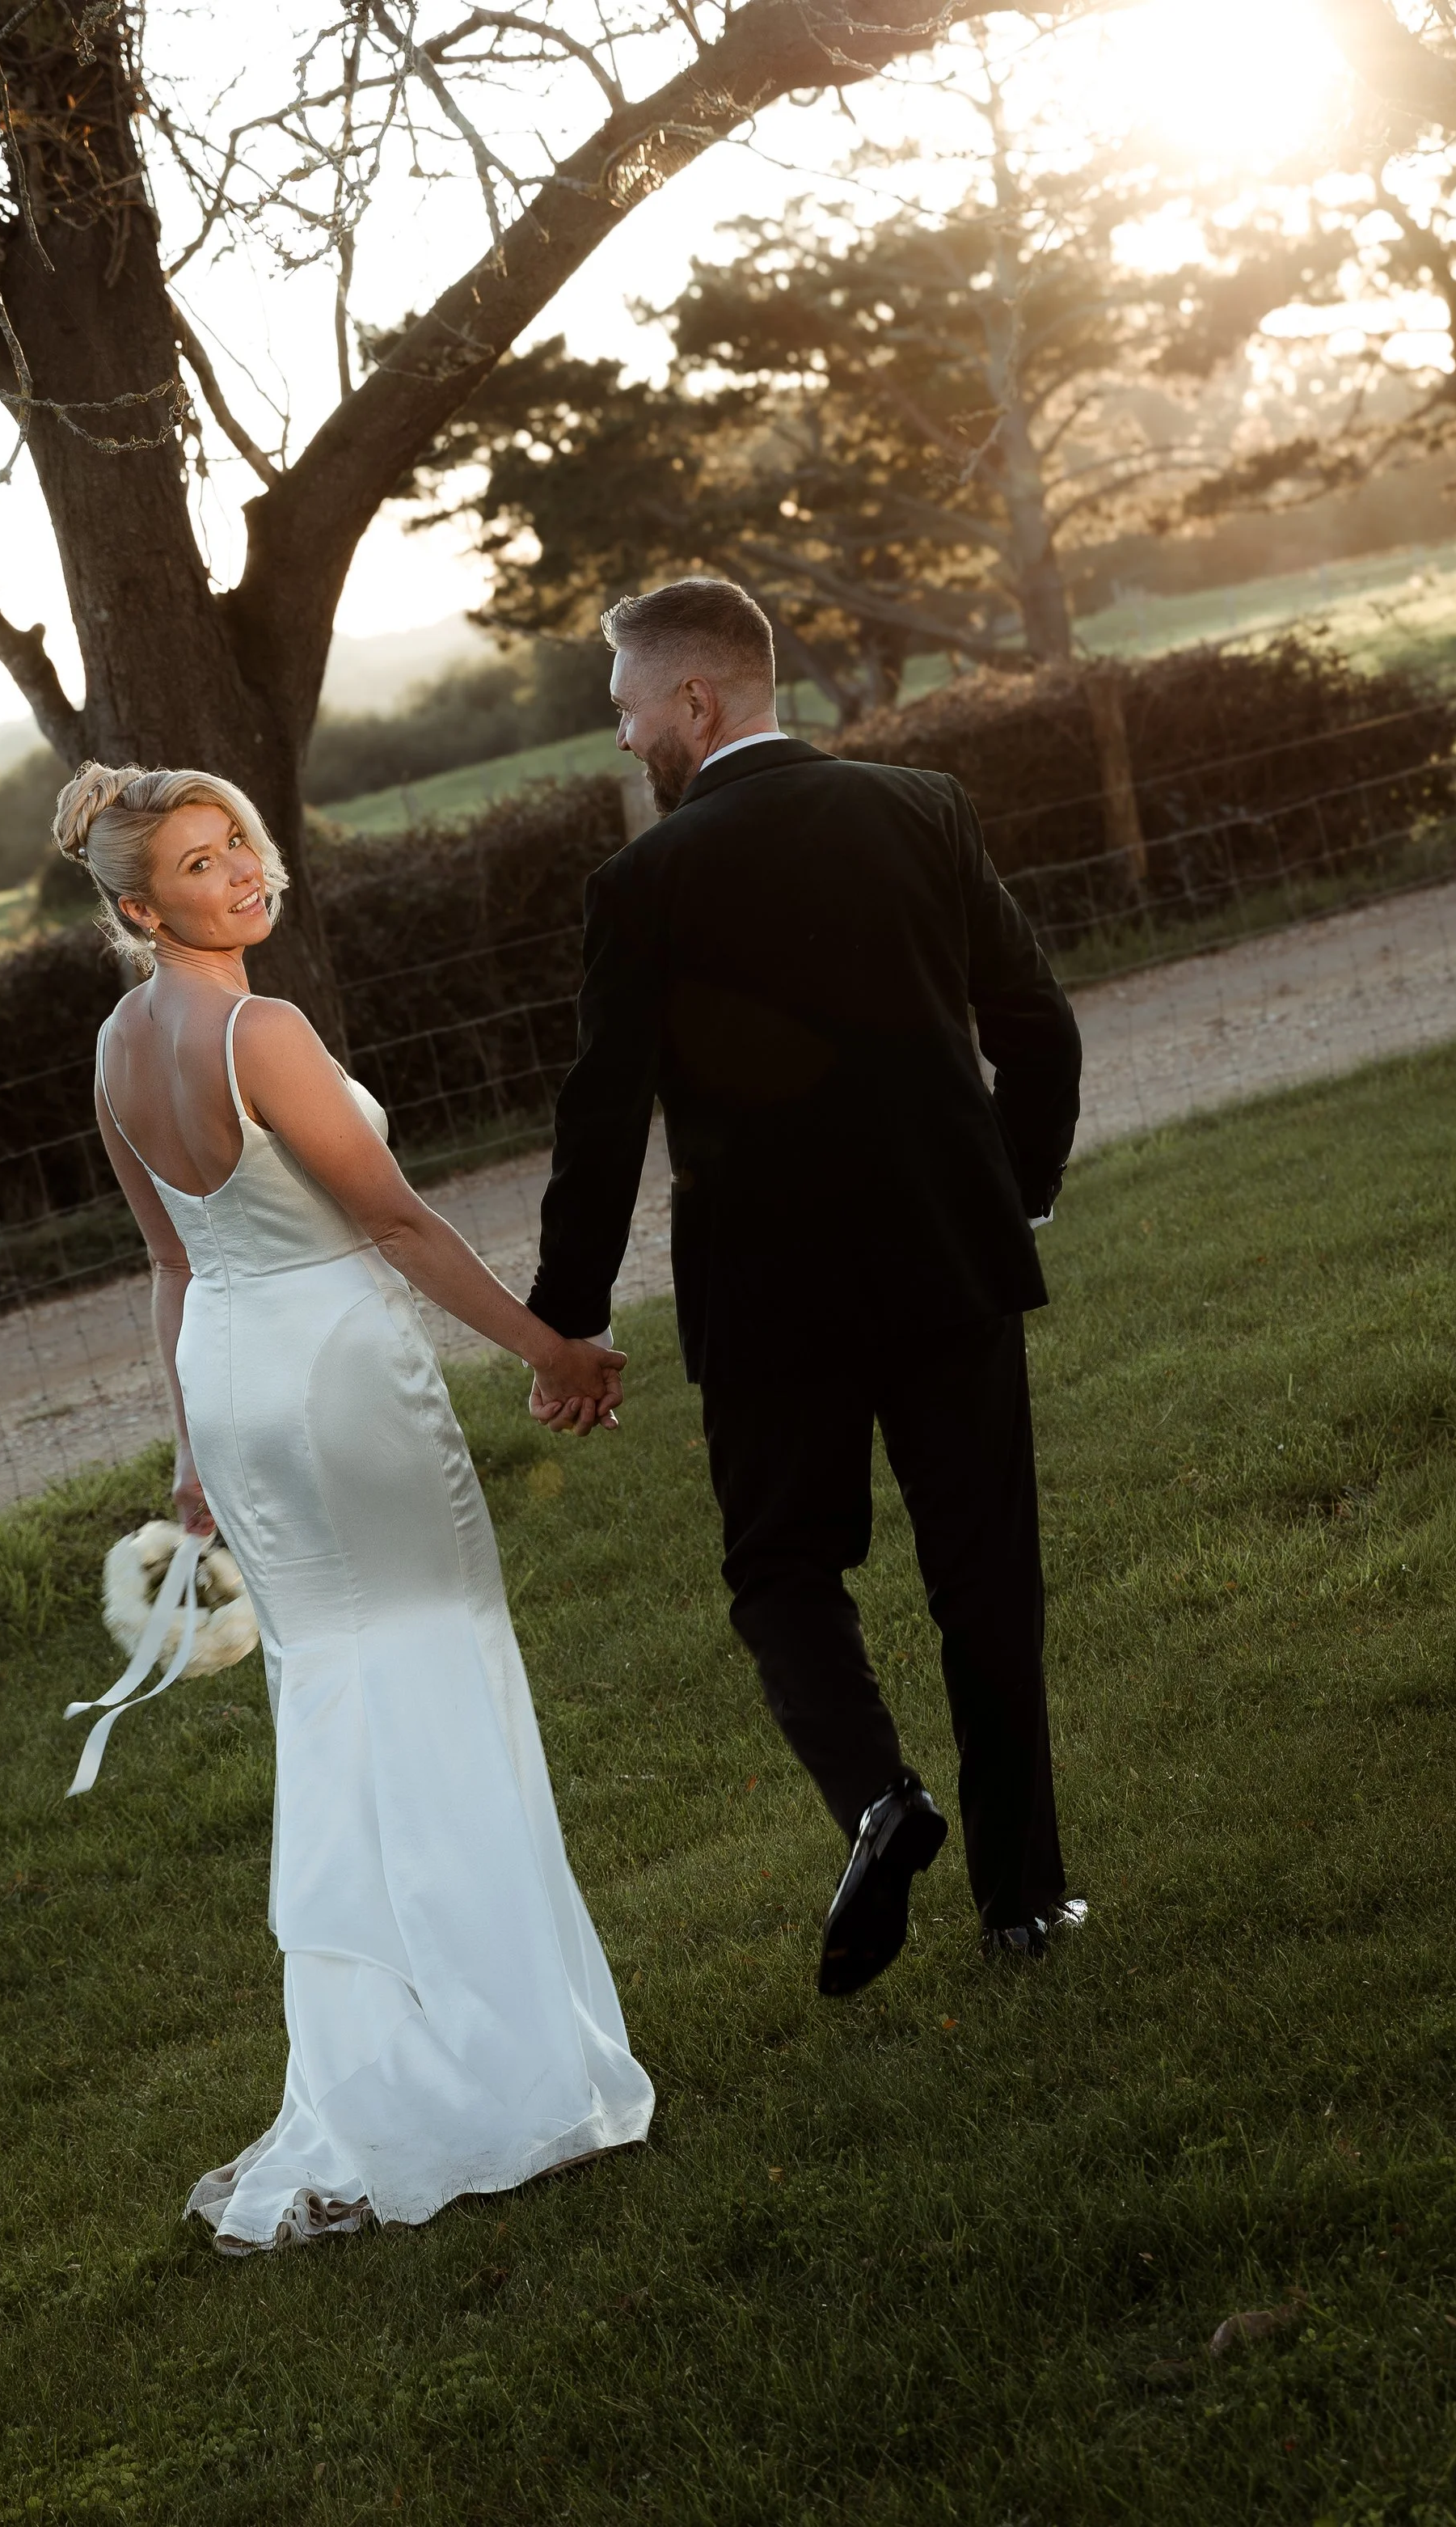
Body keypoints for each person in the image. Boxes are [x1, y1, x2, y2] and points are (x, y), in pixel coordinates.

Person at [57, 763, 652, 2257]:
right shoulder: (262, 1030)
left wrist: (193, 1449)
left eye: (242, 840)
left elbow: (175, 1267)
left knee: (340, 1703)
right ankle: (490, 2076)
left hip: (239, 1377)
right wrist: (552, 1349)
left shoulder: (122, 1046)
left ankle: (378, 2059)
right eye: (200, 863)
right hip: (329, 1370)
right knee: (428, 1679)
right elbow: (387, 1218)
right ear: (141, 905)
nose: (243, 870)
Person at [525, 578, 1085, 1988]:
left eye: (628, 708)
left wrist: (568, 1319)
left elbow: (600, 1123)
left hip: (768, 1295)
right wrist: (1008, 1196)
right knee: (987, 1583)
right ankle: (1025, 1900)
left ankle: (880, 1802)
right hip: (951, 1261)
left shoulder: (640, 884)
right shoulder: (923, 807)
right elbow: (1037, 1024)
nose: (621, 739)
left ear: (695, 703)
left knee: (782, 1568)